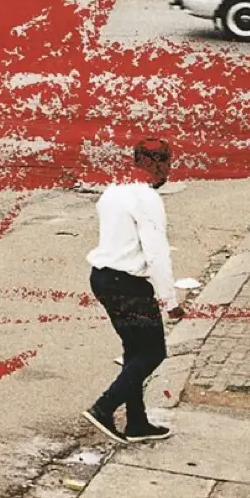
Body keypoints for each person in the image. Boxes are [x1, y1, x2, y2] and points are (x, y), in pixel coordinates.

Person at [86, 138, 184, 443]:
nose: (169, 170)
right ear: (156, 164)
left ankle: (137, 421)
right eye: (167, 163)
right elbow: (156, 254)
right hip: (129, 285)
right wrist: (170, 301)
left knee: (134, 351)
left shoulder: (114, 190)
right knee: (153, 352)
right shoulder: (147, 199)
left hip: (103, 278)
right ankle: (104, 407)